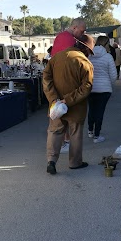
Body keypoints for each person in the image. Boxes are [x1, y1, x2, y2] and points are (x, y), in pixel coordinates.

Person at [43, 34, 95, 175]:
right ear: (85, 49)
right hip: (76, 107)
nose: (89, 54)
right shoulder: (85, 62)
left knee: (55, 131)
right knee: (75, 134)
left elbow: (46, 79)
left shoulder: (56, 57)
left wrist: (54, 99)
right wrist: (68, 100)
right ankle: (75, 162)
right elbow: (87, 87)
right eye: (89, 51)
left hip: (56, 107)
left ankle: (51, 161)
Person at [51, 17, 87, 153]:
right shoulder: (69, 40)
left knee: (59, 115)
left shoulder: (60, 37)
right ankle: (65, 143)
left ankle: (55, 153)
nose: (82, 34)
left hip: (57, 80)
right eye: (81, 31)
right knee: (68, 115)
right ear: (74, 28)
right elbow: (70, 64)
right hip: (66, 82)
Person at [87, 36, 117, 143]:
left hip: (91, 88)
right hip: (104, 89)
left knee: (91, 110)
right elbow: (113, 75)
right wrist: (109, 83)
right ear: (106, 44)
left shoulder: (89, 55)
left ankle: (90, 131)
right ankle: (97, 136)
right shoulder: (108, 57)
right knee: (100, 112)